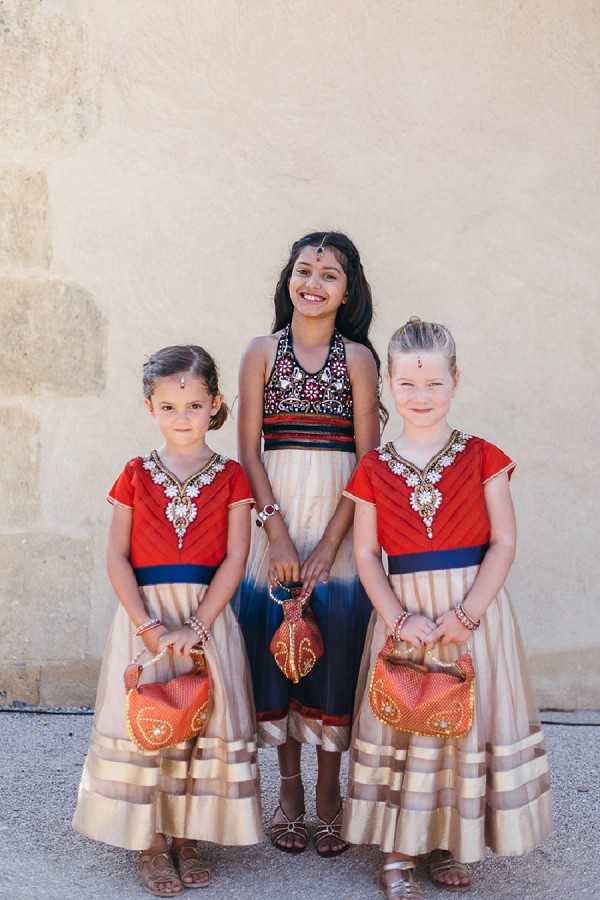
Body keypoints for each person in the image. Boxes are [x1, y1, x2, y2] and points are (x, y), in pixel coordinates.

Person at [341, 318, 552, 898]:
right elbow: (365, 554)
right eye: (408, 385)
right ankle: (399, 848)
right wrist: (397, 618)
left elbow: (504, 541)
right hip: (406, 612)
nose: (421, 397)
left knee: (464, 727)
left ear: (455, 380)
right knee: (409, 722)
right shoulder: (374, 469)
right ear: (388, 383)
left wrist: (468, 614)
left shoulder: (485, 457)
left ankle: (449, 842)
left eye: (433, 383)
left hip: (471, 612)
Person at [72, 345, 263, 898]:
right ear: (150, 408)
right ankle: (150, 840)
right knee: (150, 721)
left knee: (201, 719)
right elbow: (116, 556)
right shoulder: (135, 475)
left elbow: (234, 557)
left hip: (207, 616)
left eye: (194, 405)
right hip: (146, 617)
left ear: (215, 405)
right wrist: (148, 626)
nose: (183, 417)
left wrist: (199, 625)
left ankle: (186, 834)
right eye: (169, 406)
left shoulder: (230, 478)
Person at [233, 232, 383, 856]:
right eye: (304, 269)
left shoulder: (360, 359)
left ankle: (330, 794)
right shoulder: (261, 351)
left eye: (330, 274)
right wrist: (275, 528)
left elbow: (370, 461)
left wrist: (328, 544)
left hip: (342, 521)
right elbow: (247, 450)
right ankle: (287, 791)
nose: (313, 283)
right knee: (276, 649)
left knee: (335, 648)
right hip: (277, 513)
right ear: (288, 278)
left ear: (348, 292)